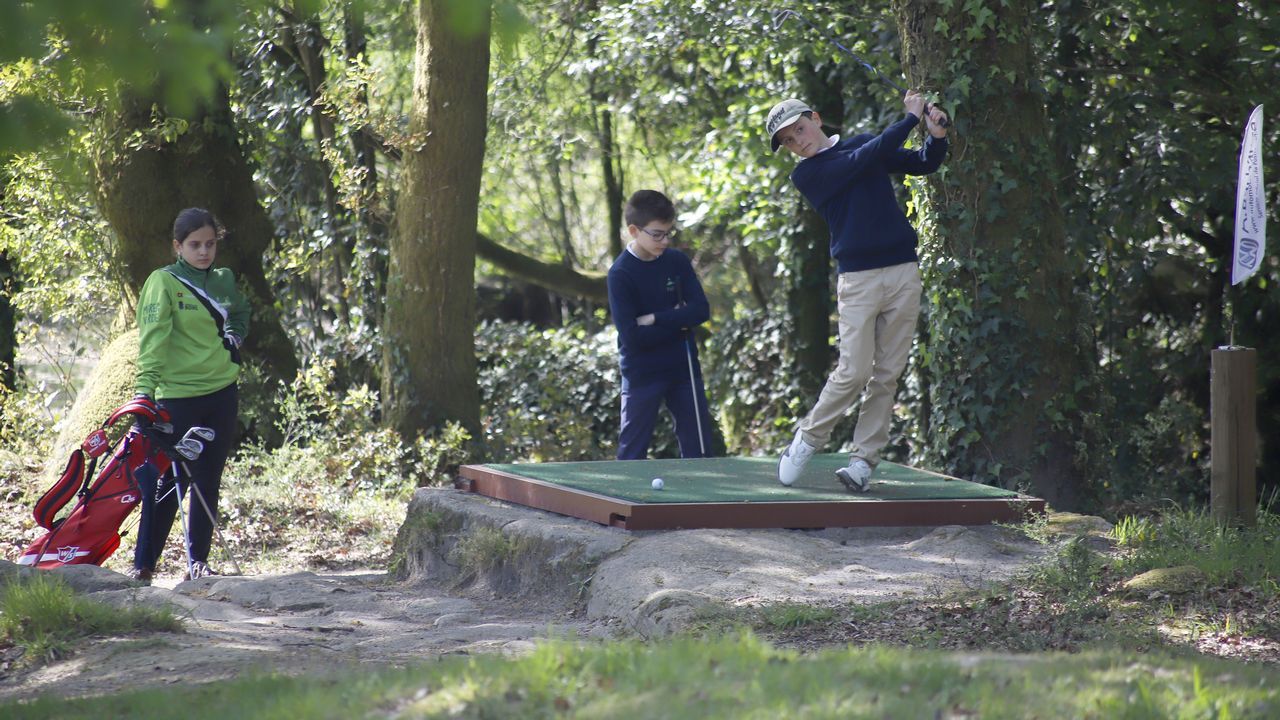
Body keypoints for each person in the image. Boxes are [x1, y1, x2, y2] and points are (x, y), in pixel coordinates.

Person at [768, 90, 949, 492]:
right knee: (854, 371)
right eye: (790, 142)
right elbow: (859, 161)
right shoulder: (808, 175)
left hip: (903, 271)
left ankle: (863, 462)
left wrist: (934, 136)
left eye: (800, 130)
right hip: (859, 281)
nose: (799, 142)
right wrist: (907, 119)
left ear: (815, 118)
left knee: (886, 374)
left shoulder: (863, 143)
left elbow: (920, 164)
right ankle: (808, 439)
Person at [131, 207, 248, 582]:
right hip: (177, 398)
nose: (204, 252)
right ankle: (143, 565)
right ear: (177, 246)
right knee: (171, 479)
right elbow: (153, 343)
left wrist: (234, 337)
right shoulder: (162, 282)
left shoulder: (224, 279)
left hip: (222, 394)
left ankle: (198, 564)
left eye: (210, 244)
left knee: (207, 479)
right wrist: (144, 396)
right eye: (195, 245)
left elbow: (240, 312)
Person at [607, 189, 714, 460]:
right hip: (642, 372)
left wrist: (656, 318)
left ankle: (700, 502)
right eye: (657, 234)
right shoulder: (620, 274)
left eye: (669, 233)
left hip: (683, 368)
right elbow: (632, 337)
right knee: (632, 452)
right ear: (634, 230)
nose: (664, 241)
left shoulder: (676, 261)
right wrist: (680, 320)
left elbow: (701, 311)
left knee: (700, 449)